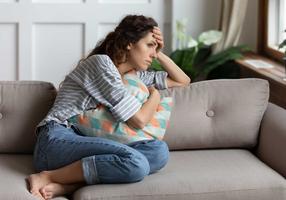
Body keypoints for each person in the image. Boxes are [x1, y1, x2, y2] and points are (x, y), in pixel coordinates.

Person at [28, 14, 190, 200]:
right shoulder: (102, 64)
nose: (152, 54)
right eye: (149, 45)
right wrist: (154, 94)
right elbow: (139, 120)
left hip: (85, 141)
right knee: (136, 163)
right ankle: (47, 176)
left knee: (158, 151)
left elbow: (183, 81)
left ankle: (71, 184)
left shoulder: (133, 76)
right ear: (130, 43)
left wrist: (159, 52)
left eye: (155, 48)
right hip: (57, 140)